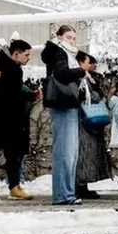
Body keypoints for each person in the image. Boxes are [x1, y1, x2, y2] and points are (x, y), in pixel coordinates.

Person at [41, 24, 88, 206]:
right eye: (68, 37)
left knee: (69, 151)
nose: (72, 41)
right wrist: (80, 71)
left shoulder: (63, 53)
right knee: (65, 151)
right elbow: (61, 74)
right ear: (60, 37)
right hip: (62, 104)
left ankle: (66, 192)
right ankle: (63, 194)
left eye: (74, 38)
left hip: (66, 104)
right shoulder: (60, 53)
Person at [0, 37, 36, 200]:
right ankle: (11, 185)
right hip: (8, 117)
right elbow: (13, 94)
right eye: (26, 55)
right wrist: (29, 95)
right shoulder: (12, 70)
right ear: (15, 54)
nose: (28, 58)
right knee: (10, 154)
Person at [75, 52, 110, 199]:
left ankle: (83, 185)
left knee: (87, 155)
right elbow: (90, 96)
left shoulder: (89, 78)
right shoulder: (81, 79)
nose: (92, 66)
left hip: (86, 122)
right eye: (89, 62)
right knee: (84, 155)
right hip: (84, 122)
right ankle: (80, 186)